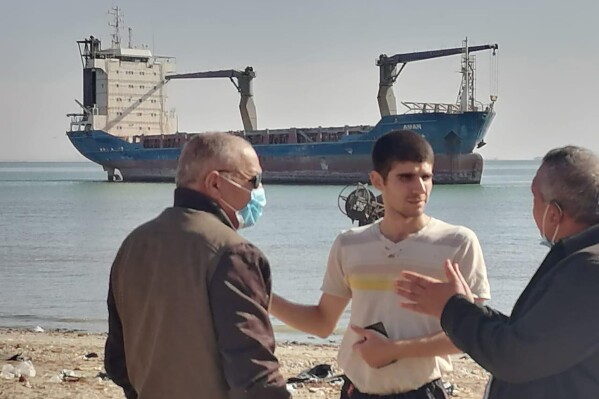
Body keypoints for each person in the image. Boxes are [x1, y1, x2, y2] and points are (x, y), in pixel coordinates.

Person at [270, 130, 491, 398]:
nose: (419, 187)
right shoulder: (349, 244)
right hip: (356, 391)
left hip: (420, 392)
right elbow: (322, 323)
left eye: (426, 176)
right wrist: (263, 297)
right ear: (377, 181)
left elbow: (474, 336)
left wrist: (395, 349)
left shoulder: (457, 242)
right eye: (405, 177)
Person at [394, 145, 599, 398]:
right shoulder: (581, 259)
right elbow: (534, 336)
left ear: (554, 214)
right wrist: (468, 307)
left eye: (534, 198)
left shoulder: (587, 270)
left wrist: (451, 308)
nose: (532, 209)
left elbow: (517, 357)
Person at [104, 133, 290, 399]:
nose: (258, 192)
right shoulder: (233, 253)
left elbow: (117, 363)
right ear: (215, 182)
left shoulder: (133, 245)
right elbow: (254, 376)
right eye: (254, 181)